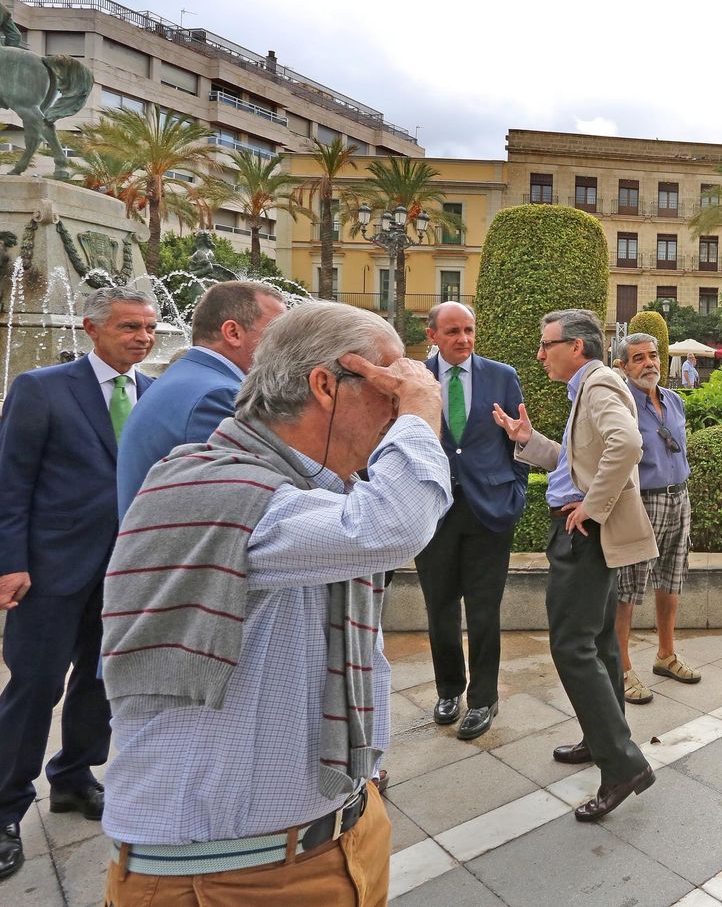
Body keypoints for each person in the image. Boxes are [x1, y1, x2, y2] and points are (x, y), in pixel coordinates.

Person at [99, 301, 448, 904]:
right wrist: (422, 413)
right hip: (228, 876)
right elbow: (396, 525)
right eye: (391, 384)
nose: (400, 403)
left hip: (336, 838)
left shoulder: (307, 492)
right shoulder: (215, 486)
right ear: (325, 385)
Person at [0, 286, 155, 882]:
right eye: (128, 327)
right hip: (51, 571)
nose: (141, 337)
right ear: (92, 329)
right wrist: (10, 561)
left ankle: (74, 777)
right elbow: (11, 481)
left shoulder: (152, 393)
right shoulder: (41, 389)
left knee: (100, 680)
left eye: (147, 327)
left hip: (123, 571)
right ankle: (6, 806)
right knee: (35, 686)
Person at [492, 309, 658, 821]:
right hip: (589, 532)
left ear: (577, 348)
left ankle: (623, 764)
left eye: (547, 345)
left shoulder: (600, 382)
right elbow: (577, 460)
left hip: (582, 534)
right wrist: (529, 441)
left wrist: (592, 506)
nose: (540, 355)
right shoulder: (587, 387)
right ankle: (603, 738)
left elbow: (628, 444)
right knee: (602, 642)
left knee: (571, 646)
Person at [416, 301, 530, 740]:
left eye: (468, 329)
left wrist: (516, 493)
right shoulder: (416, 379)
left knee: (484, 610)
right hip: (434, 510)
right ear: (433, 336)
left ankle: (483, 698)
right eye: (452, 332)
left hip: (490, 510)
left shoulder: (502, 376)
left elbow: (518, 439)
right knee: (440, 607)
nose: (463, 338)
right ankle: (449, 689)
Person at [115, 281, 287, 518]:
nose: (286, 345)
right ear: (233, 333)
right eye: (278, 333)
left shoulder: (187, 378)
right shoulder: (216, 396)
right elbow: (247, 504)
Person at [612, 333, 702, 705]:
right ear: (622, 367)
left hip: (679, 497)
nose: (649, 363)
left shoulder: (674, 400)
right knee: (628, 588)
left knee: (672, 579)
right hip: (641, 502)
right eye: (638, 359)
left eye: (653, 356)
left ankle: (666, 655)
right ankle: (621, 667)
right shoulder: (622, 405)